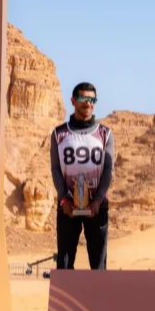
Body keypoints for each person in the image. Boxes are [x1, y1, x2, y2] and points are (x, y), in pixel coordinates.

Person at [50, 82, 115, 270]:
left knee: (99, 266)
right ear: (73, 101)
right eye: (83, 98)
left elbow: (108, 170)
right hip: (68, 207)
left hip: (97, 206)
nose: (88, 103)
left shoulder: (105, 134)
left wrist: (98, 199)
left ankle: (99, 292)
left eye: (92, 100)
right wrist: (64, 199)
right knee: (64, 264)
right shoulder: (59, 134)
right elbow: (55, 169)